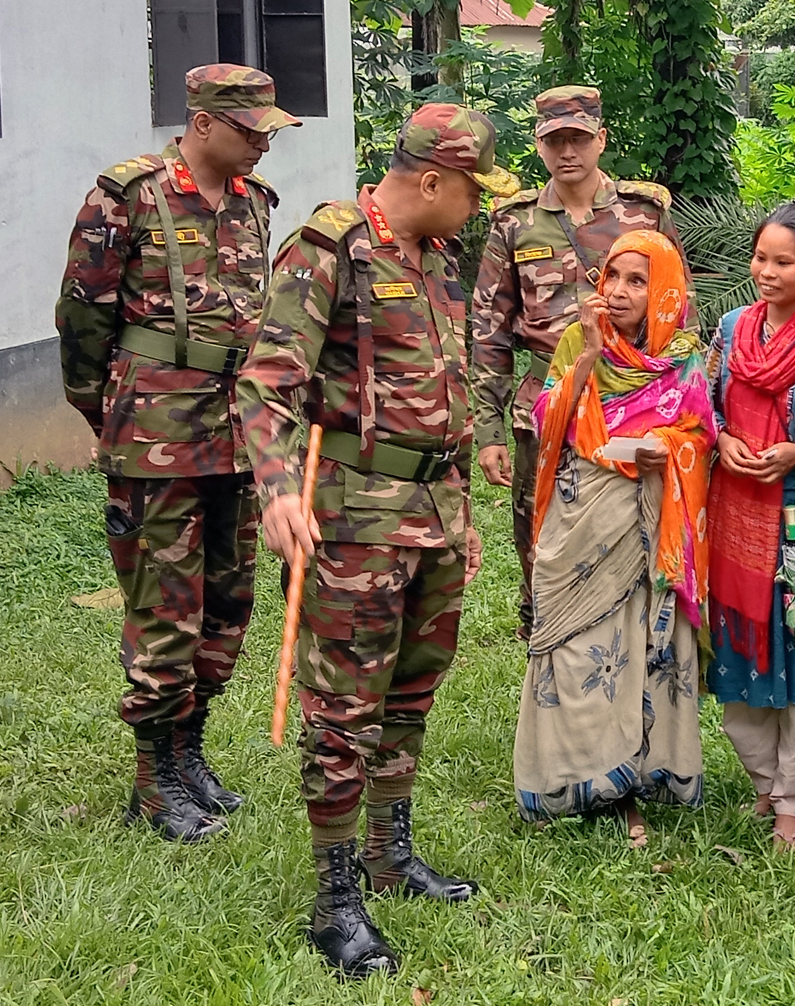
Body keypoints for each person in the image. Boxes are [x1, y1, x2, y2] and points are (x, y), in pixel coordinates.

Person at [235, 104, 518, 978]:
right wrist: (280, 490)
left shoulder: (436, 259)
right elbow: (266, 382)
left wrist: (461, 515)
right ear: (431, 180)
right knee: (345, 706)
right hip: (356, 513)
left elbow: (454, 396)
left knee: (412, 689)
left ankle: (392, 858)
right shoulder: (332, 248)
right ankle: (335, 900)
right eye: (475, 191)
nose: (481, 210)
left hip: (432, 508)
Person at [55, 64, 298, 843]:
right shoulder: (128, 197)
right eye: (249, 130)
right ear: (202, 123)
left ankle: (189, 754)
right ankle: (154, 780)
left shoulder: (256, 205)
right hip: (156, 434)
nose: (263, 144)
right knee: (166, 607)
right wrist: (110, 412)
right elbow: (81, 318)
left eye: (268, 131)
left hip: (239, 434)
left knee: (228, 602)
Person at [512, 229, 716, 842]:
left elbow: (699, 434)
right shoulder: (577, 339)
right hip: (581, 521)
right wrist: (591, 356)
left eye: (637, 280)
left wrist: (668, 448)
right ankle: (571, 776)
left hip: (650, 524)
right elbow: (548, 419)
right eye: (613, 277)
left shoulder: (682, 355)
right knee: (576, 645)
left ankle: (635, 781)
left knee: (639, 645)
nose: (620, 291)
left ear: (663, 292)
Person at [469, 84, 672, 638]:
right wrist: (488, 430)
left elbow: (677, 310)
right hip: (546, 402)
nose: (567, 151)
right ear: (540, 146)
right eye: (554, 140)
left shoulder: (643, 214)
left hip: (628, 400)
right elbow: (489, 332)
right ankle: (544, 636)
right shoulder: (514, 224)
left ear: (600, 139)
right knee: (540, 531)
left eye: (578, 138)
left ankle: (628, 631)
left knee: (628, 523)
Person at [707, 199, 795, 852]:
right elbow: (698, 408)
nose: (765, 271)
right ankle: (762, 782)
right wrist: (723, 441)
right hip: (735, 519)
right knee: (738, 654)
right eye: (760, 258)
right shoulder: (731, 328)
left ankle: (793, 803)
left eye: (782, 262)